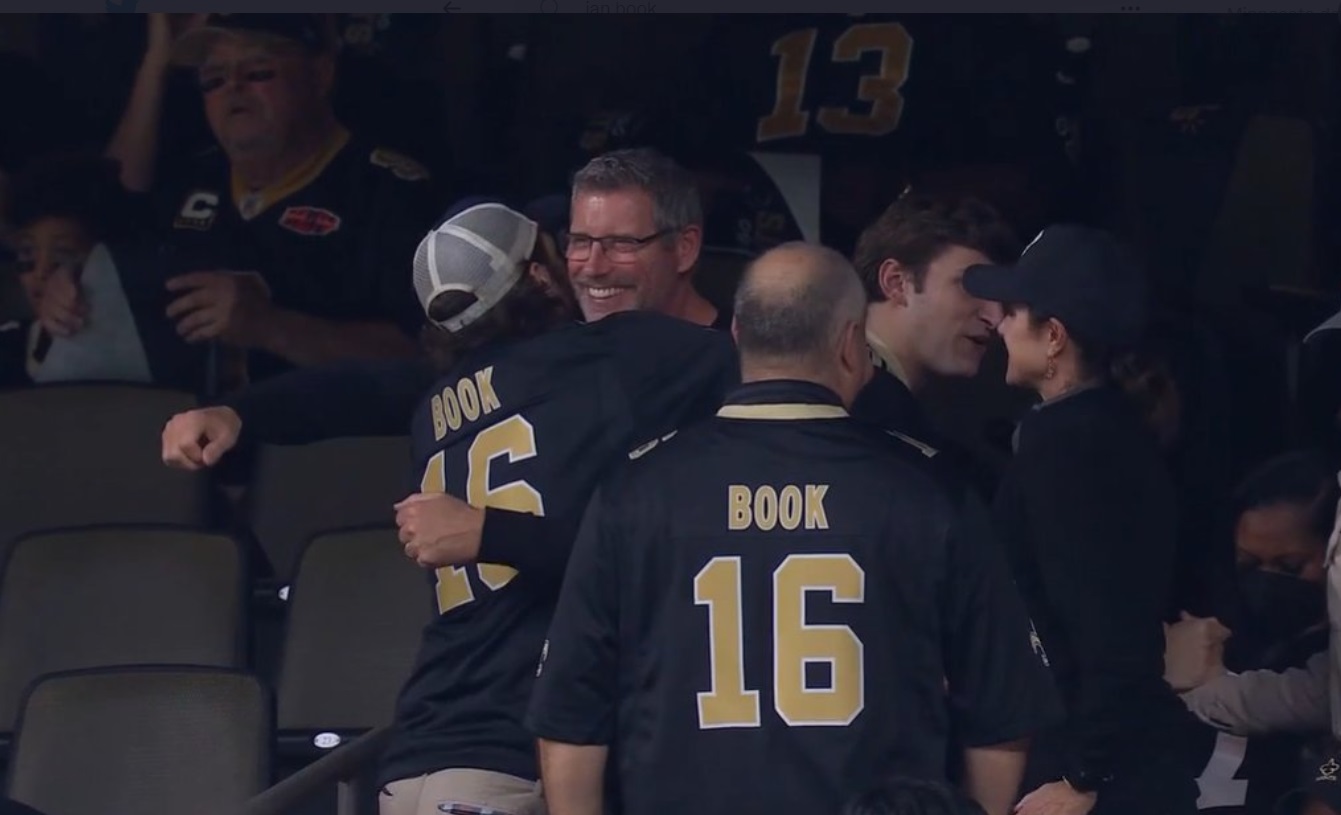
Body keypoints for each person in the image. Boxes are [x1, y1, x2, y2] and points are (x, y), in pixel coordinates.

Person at [162, 200, 739, 815]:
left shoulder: (431, 400)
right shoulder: (604, 357)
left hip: (420, 747)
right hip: (513, 750)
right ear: (540, 277)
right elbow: (769, 360)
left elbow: (353, 388)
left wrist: (240, 413)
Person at [526, 242, 1061, 815]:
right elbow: (1002, 718)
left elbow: (570, 722)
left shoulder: (634, 490)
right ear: (851, 345)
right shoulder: (932, 490)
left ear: (736, 335)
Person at [960, 225, 1200, 814]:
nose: (999, 323)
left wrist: (1083, 777)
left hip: (1096, 768)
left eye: (1015, 310)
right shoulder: (1107, 429)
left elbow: (1110, 632)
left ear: (1054, 338)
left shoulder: (1068, 446)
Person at [107, 13, 438, 385]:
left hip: (337, 437)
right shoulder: (192, 179)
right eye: (213, 80)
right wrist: (72, 284)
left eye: (258, 72)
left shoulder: (389, 192)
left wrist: (271, 326)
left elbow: (432, 353)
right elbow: (111, 202)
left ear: (320, 75)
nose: (233, 88)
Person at [848, 191, 1020, 495]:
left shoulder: (907, 413)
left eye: (1000, 298)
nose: (995, 317)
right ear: (896, 282)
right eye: (971, 286)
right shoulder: (851, 408)